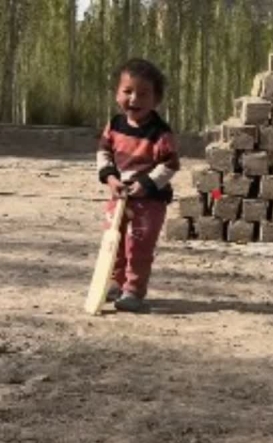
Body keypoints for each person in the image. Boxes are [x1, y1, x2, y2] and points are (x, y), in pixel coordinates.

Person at [96, 57, 180, 313]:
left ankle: (133, 290)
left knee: (139, 245)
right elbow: (104, 153)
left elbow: (169, 165)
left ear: (156, 100)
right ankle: (115, 282)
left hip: (149, 201)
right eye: (128, 91)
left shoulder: (160, 132)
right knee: (115, 241)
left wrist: (145, 184)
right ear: (116, 94)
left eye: (143, 94)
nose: (134, 99)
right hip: (119, 196)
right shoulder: (115, 125)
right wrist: (110, 178)